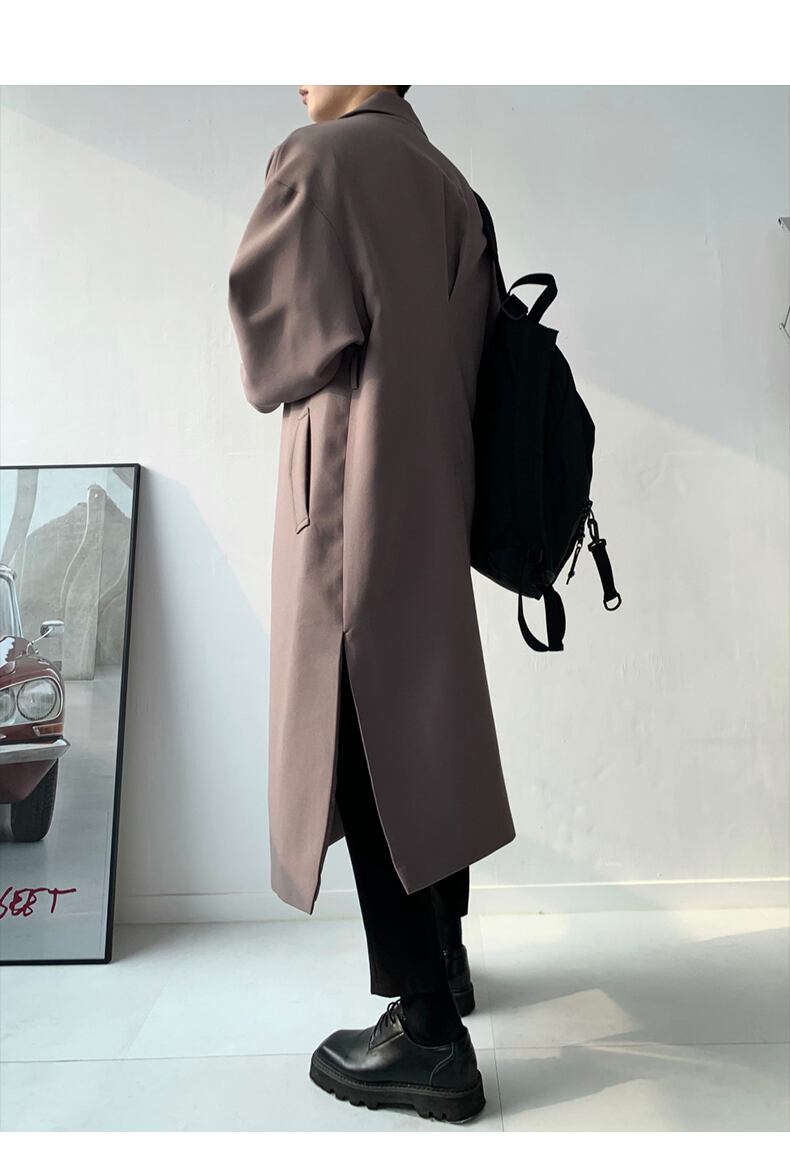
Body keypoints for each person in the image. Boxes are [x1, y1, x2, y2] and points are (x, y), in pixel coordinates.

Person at [227, 84, 515, 1124]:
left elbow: (275, 358)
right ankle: (449, 958)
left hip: (348, 493)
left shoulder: (318, 161)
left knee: (358, 740)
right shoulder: (452, 187)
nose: (298, 78)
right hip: (431, 487)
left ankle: (428, 1032)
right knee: (425, 720)